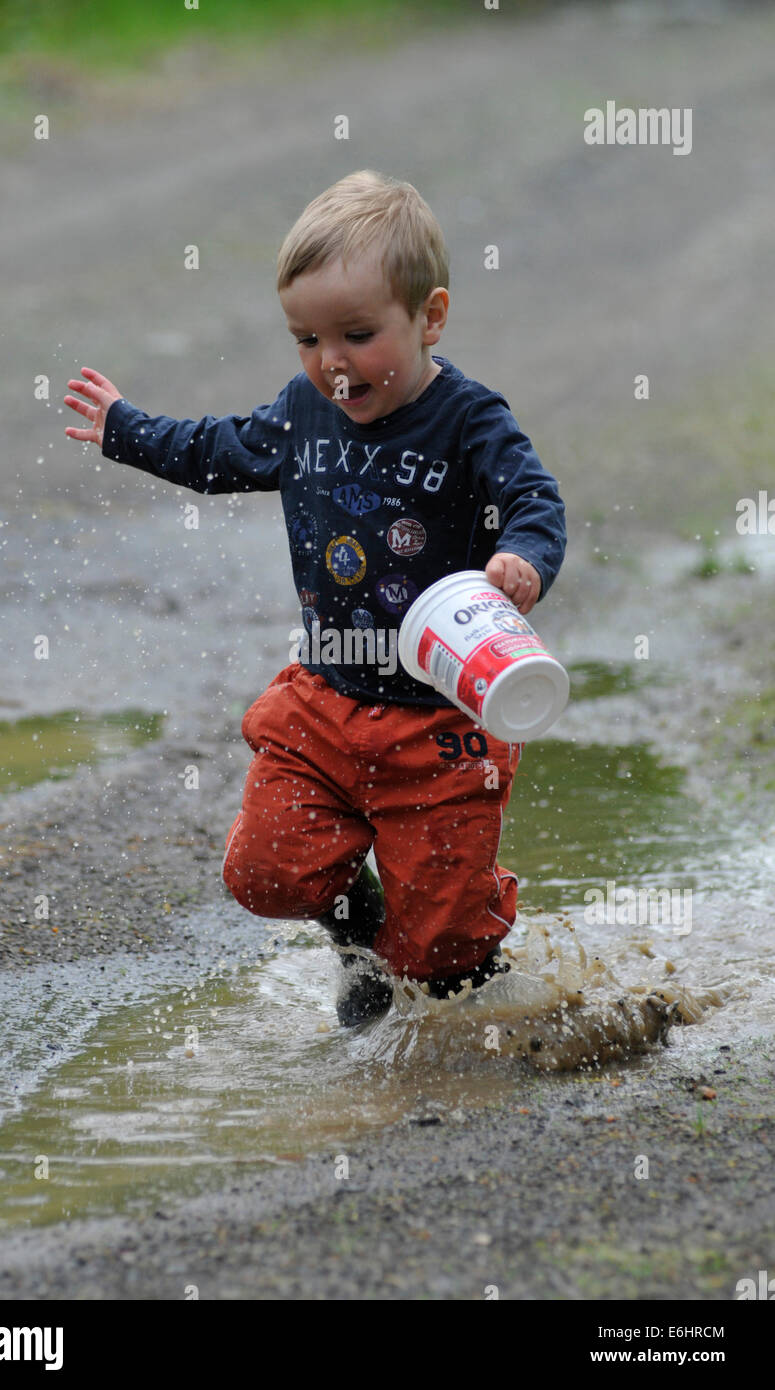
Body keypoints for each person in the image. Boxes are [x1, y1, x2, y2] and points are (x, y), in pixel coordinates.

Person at [64, 169, 566, 1026]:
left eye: (358, 334)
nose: (331, 362)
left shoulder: (470, 420)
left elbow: (534, 501)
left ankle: (460, 966)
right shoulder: (305, 410)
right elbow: (218, 452)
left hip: (443, 718)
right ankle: (358, 935)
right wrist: (126, 429)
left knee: (442, 953)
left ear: (429, 317)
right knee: (265, 869)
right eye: (306, 338)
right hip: (326, 697)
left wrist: (521, 557)